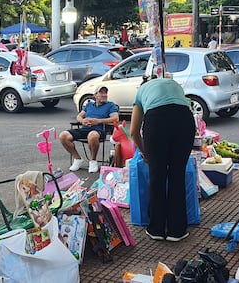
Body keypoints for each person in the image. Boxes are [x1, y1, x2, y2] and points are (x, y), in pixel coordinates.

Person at [130, 75, 195, 242]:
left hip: (157, 121)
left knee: (157, 176)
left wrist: (145, 152)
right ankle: (177, 230)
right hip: (184, 121)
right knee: (177, 175)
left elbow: (133, 132)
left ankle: (156, 229)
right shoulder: (174, 84)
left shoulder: (141, 92)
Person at [59, 86, 119, 173]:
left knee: (92, 135)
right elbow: (79, 116)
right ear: (95, 95)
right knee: (63, 135)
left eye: (105, 93)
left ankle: (93, 161)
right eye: (101, 93)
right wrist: (83, 121)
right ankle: (77, 159)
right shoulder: (89, 105)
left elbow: (115, 118)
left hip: (99, 129)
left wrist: (98, 121)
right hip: (85, 128)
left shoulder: (110, 105)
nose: (104, 95)